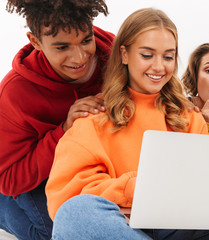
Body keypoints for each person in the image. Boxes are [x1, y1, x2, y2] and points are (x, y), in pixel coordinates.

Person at [45, 8, 209, 240]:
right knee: (76, 214)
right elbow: (65, 197)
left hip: (186, 227)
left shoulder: (189, 116)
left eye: (168, 57)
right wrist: (141, 186)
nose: (159, 67)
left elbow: (201, 188)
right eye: (147, 55)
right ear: (124, 54)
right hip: (126, 226)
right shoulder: (93, 118)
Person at [0, 0, 114, 239]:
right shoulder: (15, 93)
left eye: (86, 39)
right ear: (36, 42)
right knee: (64, 232)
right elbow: (9, 179)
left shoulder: (116, 55)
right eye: (62, 48)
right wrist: (65, 130)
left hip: (97, 169)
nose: (80, 57)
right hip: (39, 177)